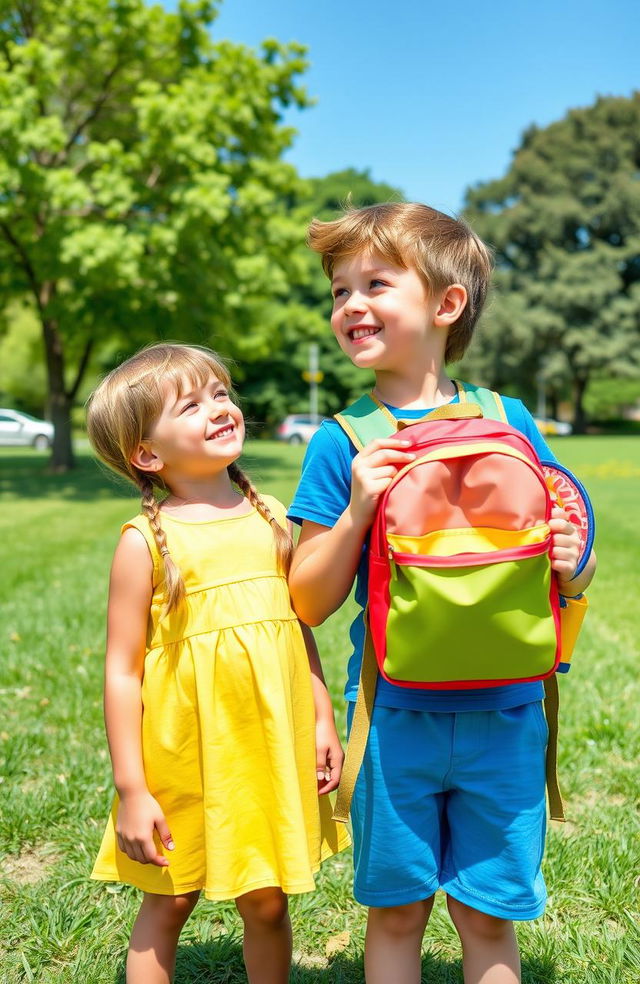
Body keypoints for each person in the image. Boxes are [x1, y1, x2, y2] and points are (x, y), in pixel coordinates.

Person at [287, 202, 596, 984]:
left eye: (375, 283)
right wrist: (358, 508)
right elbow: (308, 600)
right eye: (338, 291)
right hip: (392, 718)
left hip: (508, 715)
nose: (349, 305)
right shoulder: (342, 440)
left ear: (446, 304)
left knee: (489, 917)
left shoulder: (509, 419)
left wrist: (576, 560)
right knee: (397, 912)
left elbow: (568, 551)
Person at [87, 343, 349, 984]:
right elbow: (121, 671)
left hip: (264, 745)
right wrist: (131, 788)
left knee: (267, 896)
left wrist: (320, 720)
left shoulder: (273, 522)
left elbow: (297, 631)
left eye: (221, 394)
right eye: (192, 404)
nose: (219, 408)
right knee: (171, 896)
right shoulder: (144, 541)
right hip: (183, 751)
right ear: (147, 454)